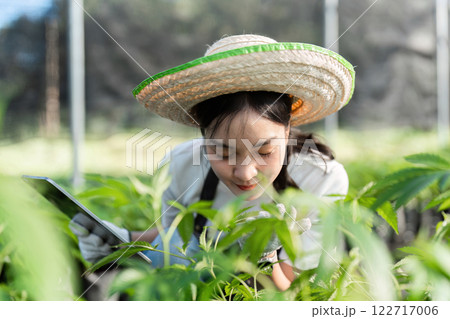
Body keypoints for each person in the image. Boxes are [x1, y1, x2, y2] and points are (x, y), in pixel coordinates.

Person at [70, 34, 355, 291]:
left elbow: (298, 293)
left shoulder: (321, 179)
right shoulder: (180, 166)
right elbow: (177, 239)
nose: (245, 173)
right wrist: (123, 241)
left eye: (265, 151)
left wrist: (266, 257)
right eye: (224, 152)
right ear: (202, 135)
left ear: (288, 129)